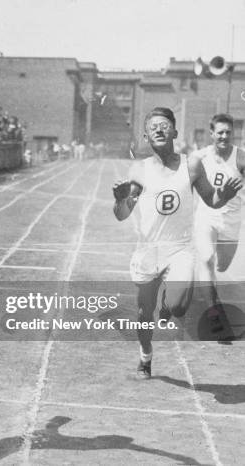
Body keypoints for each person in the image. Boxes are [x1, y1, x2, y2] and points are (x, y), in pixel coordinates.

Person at [112, 107, 242, 378]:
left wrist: (225, 195)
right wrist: (119, 200)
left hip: (180, 247)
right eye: (153, 127)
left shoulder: (191, 164)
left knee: (179, 306)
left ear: (174, 131)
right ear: (146, 136)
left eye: (164, 125)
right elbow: (122, 214)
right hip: (148, 249)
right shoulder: (140, 168)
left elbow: (212, 200)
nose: (159, 129)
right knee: (142, 313)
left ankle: (168, 304)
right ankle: (145, 358)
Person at [193, 114, 245, 330]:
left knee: (221, 265)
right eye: (220, 132)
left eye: (228, 132)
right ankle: (213, 311)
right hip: (206, 217)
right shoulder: (199, 157)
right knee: (206, 258)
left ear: (233, 134)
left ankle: (209, 282)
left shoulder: (241, 158)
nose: (224, 136)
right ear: (212, 133)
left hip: (231, 220)